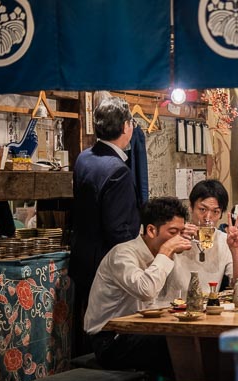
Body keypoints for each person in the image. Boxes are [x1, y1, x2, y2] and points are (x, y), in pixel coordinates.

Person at [84, 197, 193, 374]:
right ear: (151, 230)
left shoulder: (159, 255)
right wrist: (166, 252)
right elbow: (146, 290)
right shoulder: (123, 255)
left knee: (193, 338)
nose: (178, 238)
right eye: (173, 232)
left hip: (140, 331)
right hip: (111, 341)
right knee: (177, 343)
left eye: (181, 232)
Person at [70, 96, 140, 355]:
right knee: (105, 329)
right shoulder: (117, 169)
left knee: (85, 324)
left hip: (82, 257)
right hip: (106, 263)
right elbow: (118, 229)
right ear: (125, 127)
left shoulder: (84, 158)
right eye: (131, 122)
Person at [155, 180, 238, 302]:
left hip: (208, 310)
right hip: (171, 309)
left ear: (221, 215)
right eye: (202, 209)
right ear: (191, 208)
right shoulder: (174, 235)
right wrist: (174, 242)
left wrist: (235, 249)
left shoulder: (225, 240)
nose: (208, 218)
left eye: (215, 212)